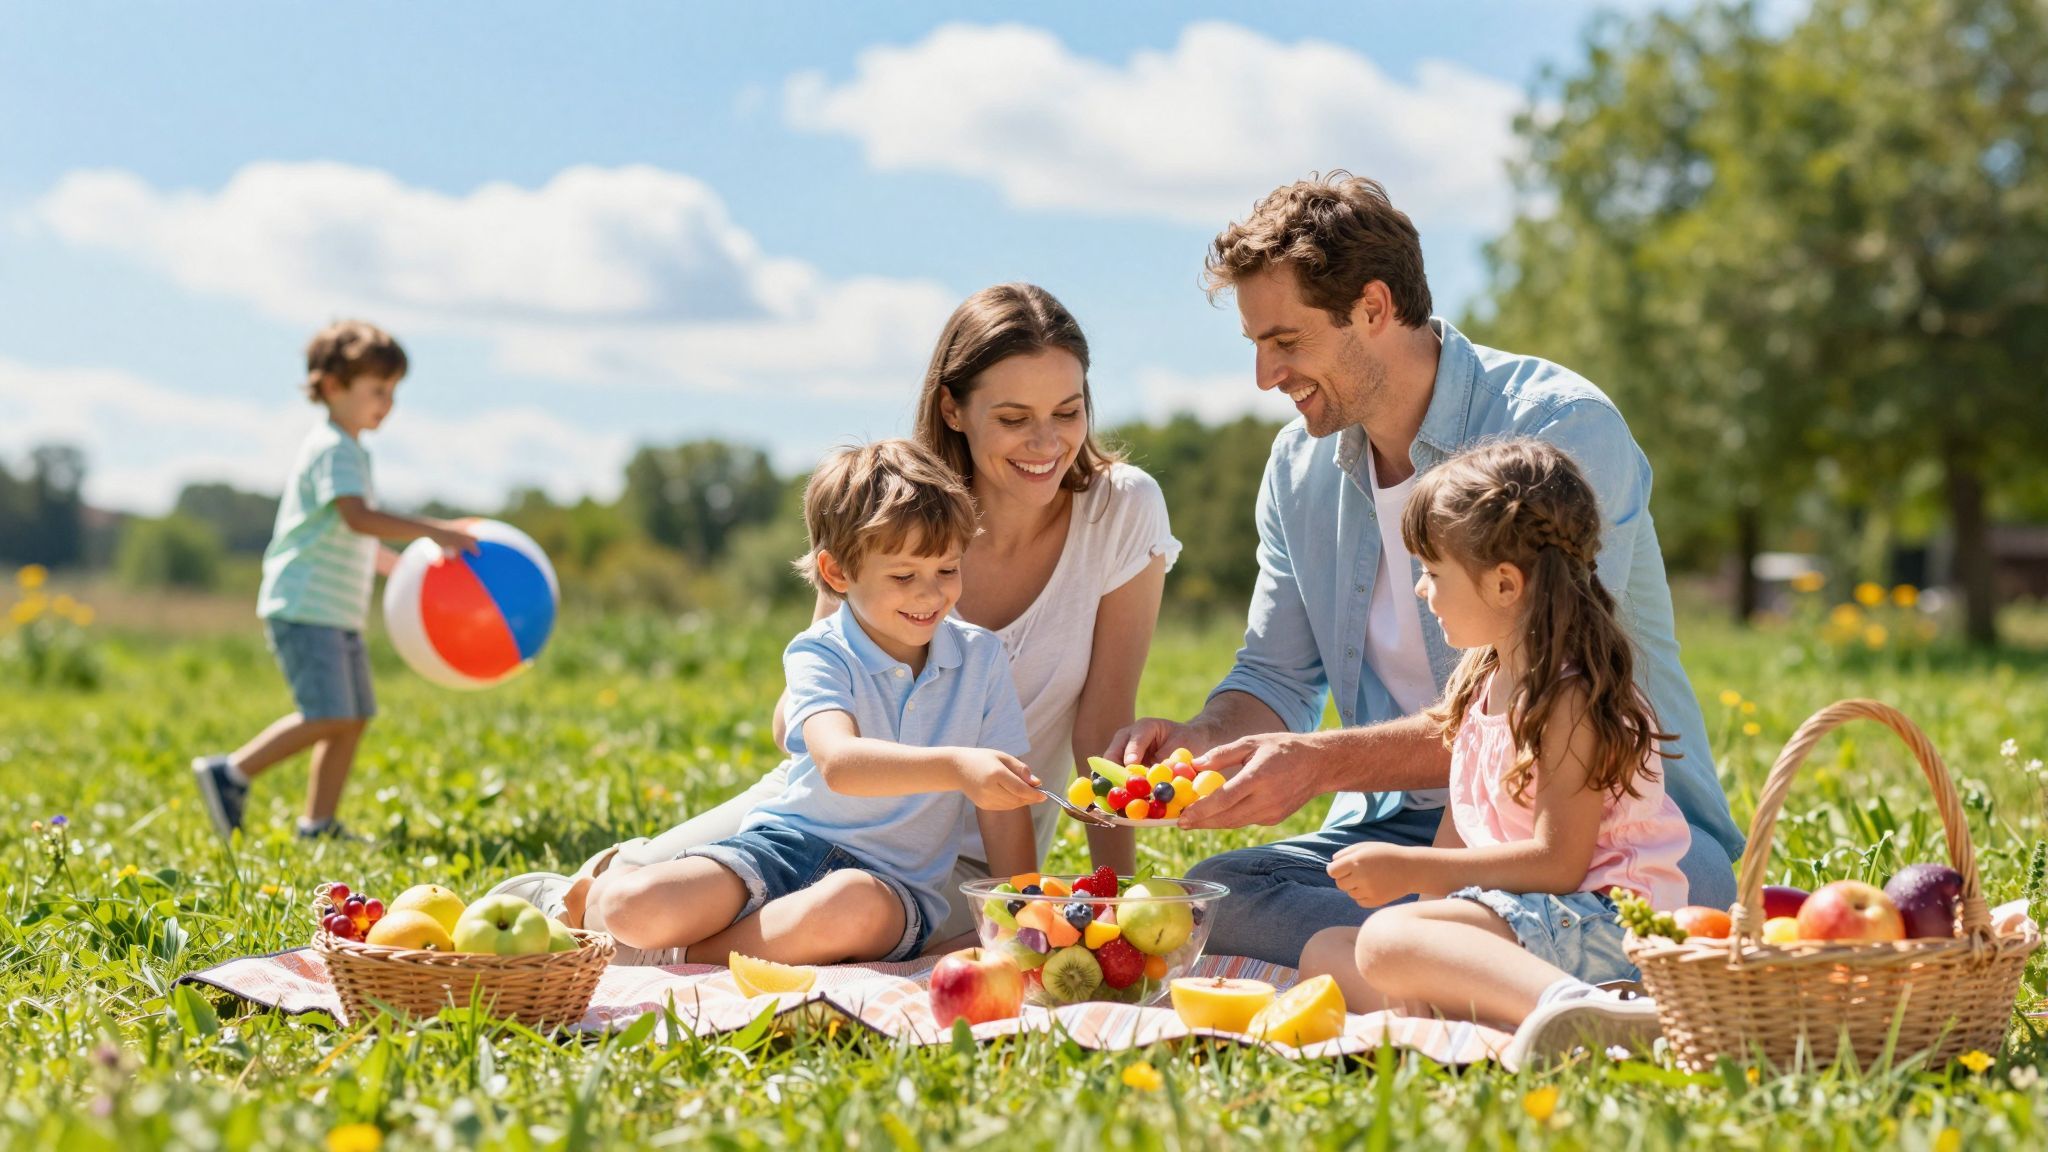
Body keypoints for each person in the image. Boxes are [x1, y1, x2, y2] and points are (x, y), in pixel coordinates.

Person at [1110, 173, 1744, 965]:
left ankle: (1423, 952)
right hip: (1420, 833)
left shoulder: (1556, 430)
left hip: (1602, 842)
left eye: (1286, 341)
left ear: (1373, 308)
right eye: (1257, 346)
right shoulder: (1297, 469)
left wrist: (1320, 765)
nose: (1266, 377)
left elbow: (1552, 689)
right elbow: (1275, 679)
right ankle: (1442, 952)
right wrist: (1200, 744)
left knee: (1688, 894)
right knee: (1221, 893)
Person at [491, 284, 1179, 961]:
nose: (1045, 442)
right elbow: (806, 732)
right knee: (629, 897)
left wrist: (1114, 901)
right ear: (954, 408)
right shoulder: (895, 508)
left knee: (831, 917)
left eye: (1068, 410)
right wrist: (829, 701)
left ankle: (683, 954)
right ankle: (572, 910)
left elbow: (1102, 725)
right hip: (813, 817)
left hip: (948, 860)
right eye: (1012, 417)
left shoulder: (1120, 511)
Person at [582, 440, 1044, 964]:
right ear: (837, 573)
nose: (931, 594)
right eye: (903, 576)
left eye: (947, 569)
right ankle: (612, 915)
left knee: (851, 906)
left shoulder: (981, 657)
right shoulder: (821, 650)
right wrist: (959, 767)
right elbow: (840, 764)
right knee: (628, 905)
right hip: (784, 847)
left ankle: (678, 960)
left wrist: (1023, 906)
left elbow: (1004, 808)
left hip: (890, 887)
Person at [1296, 439, 1682, 1054]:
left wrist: (1410, 877)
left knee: (1383, 942)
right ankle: (1500, 1018)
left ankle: (1578, 1008)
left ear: (1505, 584)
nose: (1422, 591)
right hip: (1527, 917)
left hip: (1599, 921)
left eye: (1433, 572)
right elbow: (1463, 820)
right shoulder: (1486, 679)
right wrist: (1424, 918)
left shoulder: (1568, 697)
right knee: (1330, 951)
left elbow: (1559, 863)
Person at [191, 321, 477, 842]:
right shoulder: (334, 448)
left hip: (334, 611)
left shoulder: (352, 449)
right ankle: (229, 773)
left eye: (393, 392)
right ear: (332, 388)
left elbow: (355, 538)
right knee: (328, 714)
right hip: (305, 605)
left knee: (353, 717)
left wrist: (401, 569)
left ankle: (318, 824)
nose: (387, 403)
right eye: (377, 390)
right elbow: (358, 518)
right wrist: (435, 532)